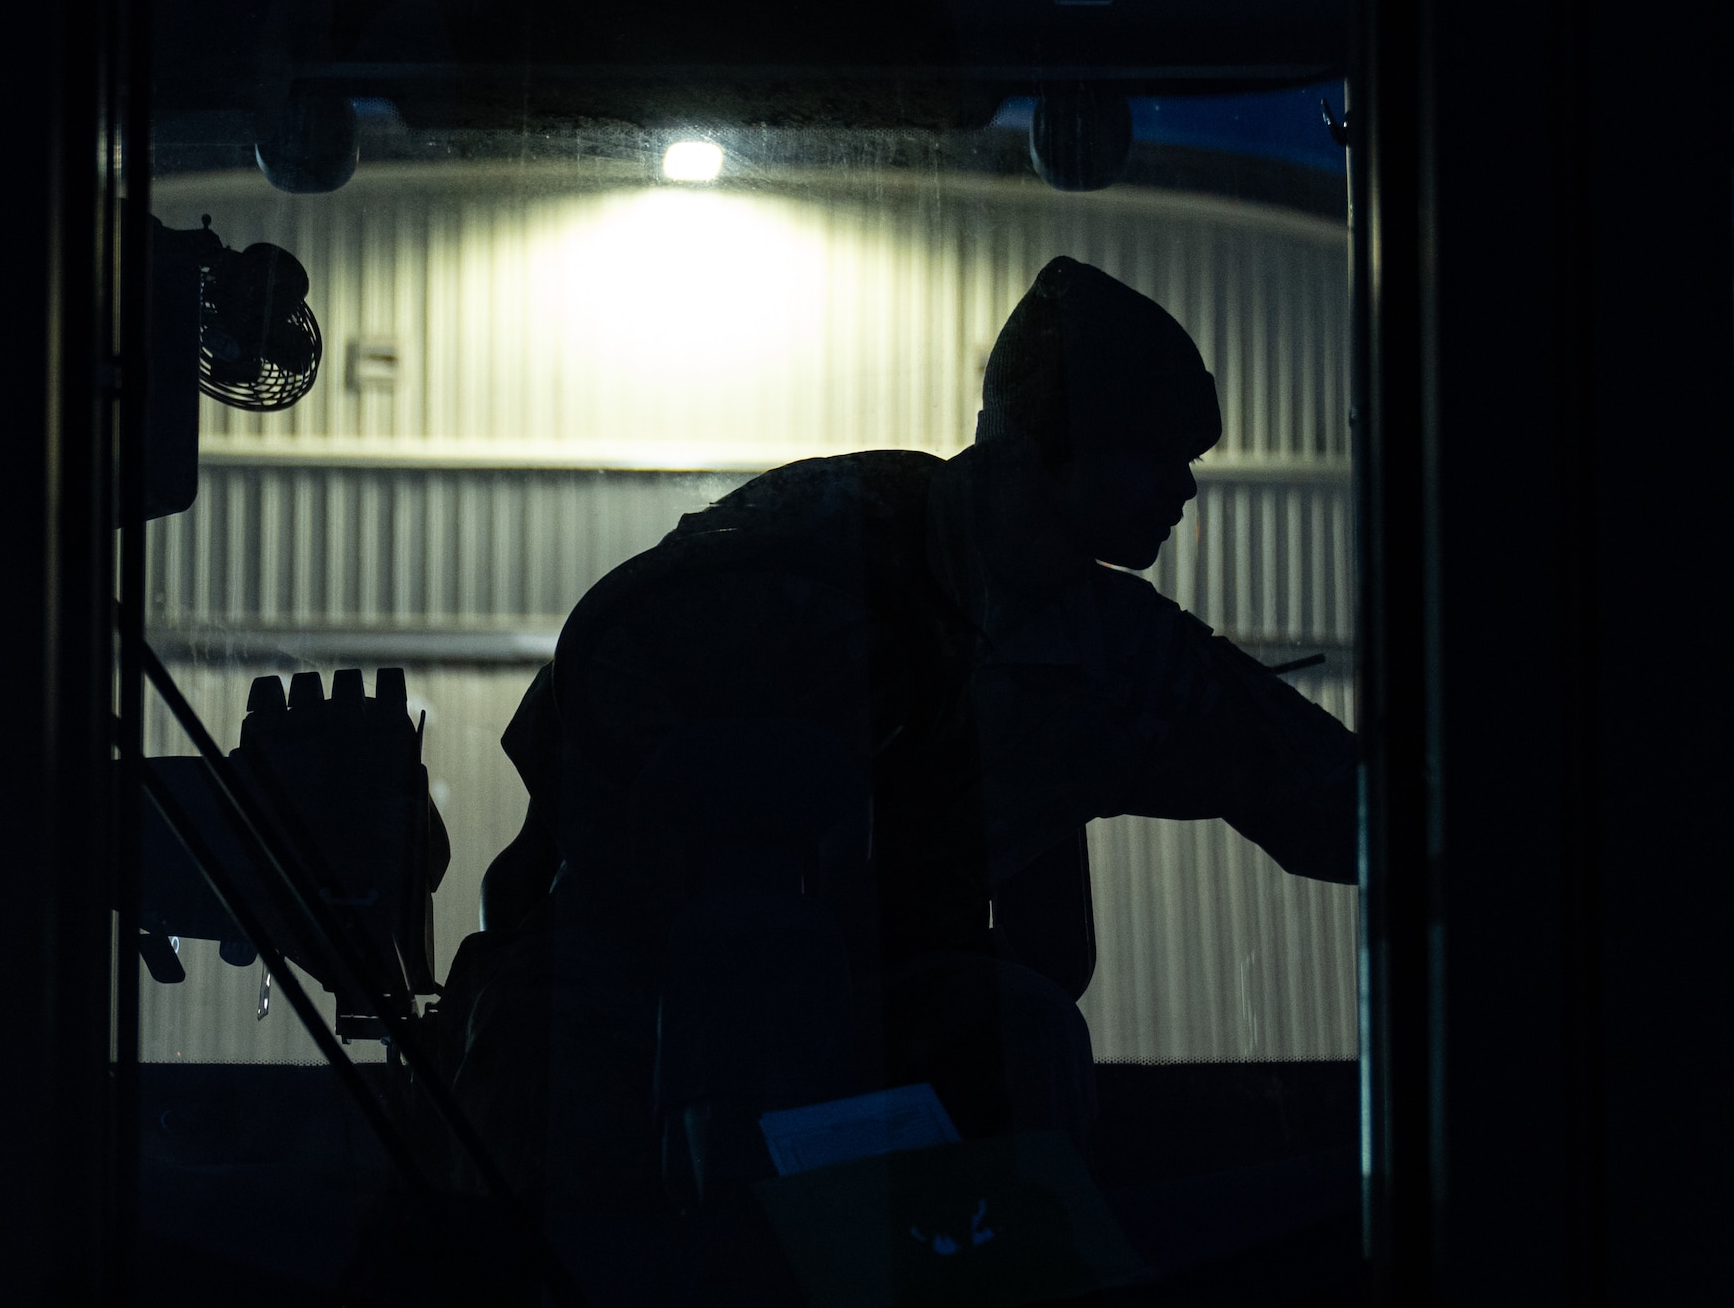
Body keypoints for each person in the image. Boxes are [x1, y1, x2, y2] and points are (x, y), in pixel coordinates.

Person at [420, 255, 1358, 1299]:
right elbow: (588, 721)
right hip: (641, 1003)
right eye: (1148, 450)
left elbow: (1338, 803)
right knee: (533, 1065)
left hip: (881, 1032)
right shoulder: (806, 553)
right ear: (1045, 441)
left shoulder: (1112, 654)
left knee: (1019, 1033)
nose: (1181, 485)